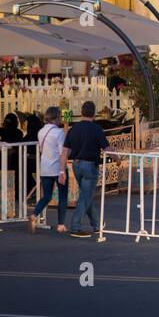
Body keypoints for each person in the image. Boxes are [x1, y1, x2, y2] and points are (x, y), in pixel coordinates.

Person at [64, 100, 110, 239]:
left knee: (86, 194)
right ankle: (75, 226)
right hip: (90, 165)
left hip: (76, 164)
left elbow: (66, 150)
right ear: (94, 113)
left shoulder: (73, 129)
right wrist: (117, 159)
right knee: (85, 196)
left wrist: (61, 169)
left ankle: (97, 224)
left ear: (82, 111)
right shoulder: (96, 129)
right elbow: (106, 147)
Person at [29, 106, 69, 234]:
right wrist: (63, 171)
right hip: (58, 168)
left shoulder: (40, 132)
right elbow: (62, 152)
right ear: (56, 118)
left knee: (46, 196)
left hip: (45, 167)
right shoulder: (59, 132)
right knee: (62, 196)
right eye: (60, 117)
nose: (61, 119)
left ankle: (34, 215)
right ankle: (61, 225)